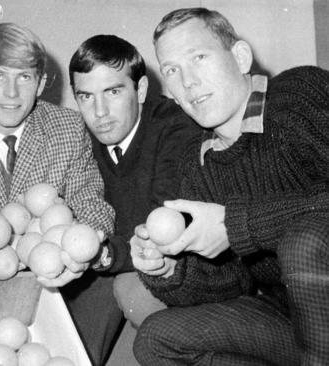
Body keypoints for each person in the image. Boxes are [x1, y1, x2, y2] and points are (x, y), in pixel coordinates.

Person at [131, 7, 329, 366]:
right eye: (172, 70)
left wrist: (236, 225)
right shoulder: (198, 163)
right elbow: (230, 282)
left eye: (199, 58)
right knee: (156, 339)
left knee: (305, 240)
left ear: (239, 57)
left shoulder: (297, 97)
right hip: (295, 323)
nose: (187, 81)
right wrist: (170, 269)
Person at [0, 22, 120, 366]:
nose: (11, 93)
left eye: (24, 77)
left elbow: (91, 200)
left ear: (41, 82)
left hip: (59, 282)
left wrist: (83, 245)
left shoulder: (67, 127)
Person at [69, 34, 200, 329]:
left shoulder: (176, 127)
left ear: (140, 89)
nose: (99, 112)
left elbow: (160, 234)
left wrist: (99, 253)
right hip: (109, 261)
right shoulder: (77, 137)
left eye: (113, 92)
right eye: (86, 97)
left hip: (171, 269)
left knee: (132, 291)